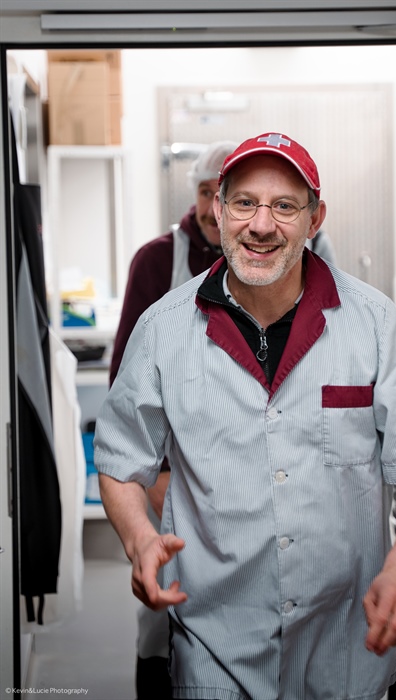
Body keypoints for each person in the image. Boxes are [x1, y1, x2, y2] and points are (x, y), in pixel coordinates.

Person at [95, 132, 396, 700]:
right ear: (219, 210)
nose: (261, 225)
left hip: (347, 641)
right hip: (215, 643)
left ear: (315, 219)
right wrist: (140, 538)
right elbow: (121, 458)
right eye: (244, 203)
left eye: (284, 206)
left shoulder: (372, 322)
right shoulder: (163, 329)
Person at [110, 140, 237, 700]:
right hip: (174, 475)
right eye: (206, 193)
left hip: (243, 470)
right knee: (165, 601)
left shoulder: (271, 258)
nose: (213, 208)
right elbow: (126, 383)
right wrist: (155, 474)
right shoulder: (158, 260)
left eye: (224, 194)